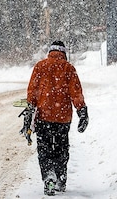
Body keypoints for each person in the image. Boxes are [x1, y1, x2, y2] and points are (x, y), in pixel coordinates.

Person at [26, 39, 88, 196]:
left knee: (44, 149)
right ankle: (60, 178)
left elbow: (32, 92)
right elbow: (76, 92)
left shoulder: (40, 66)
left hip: (43, 117)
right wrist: (82, 111)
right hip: (62, 118)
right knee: (61, 149)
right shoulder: (68, 68)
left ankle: (48, 176)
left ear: (50, 52)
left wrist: (30, 110)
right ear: (64, 53)